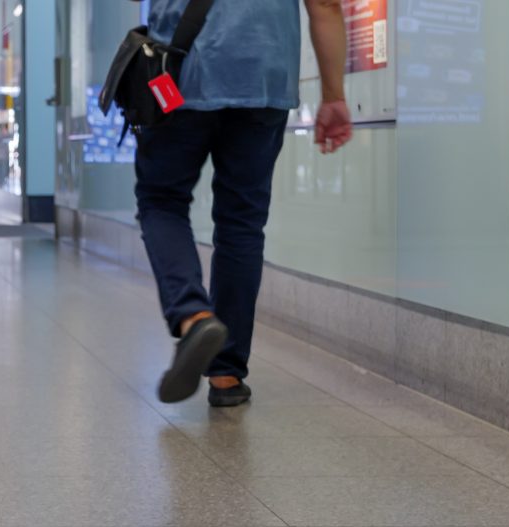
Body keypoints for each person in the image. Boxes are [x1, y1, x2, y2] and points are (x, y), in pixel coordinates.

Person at [134, 0, 352, 406]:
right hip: (265, 78)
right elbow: (325, 6)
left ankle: (193, 315)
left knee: (161, 200)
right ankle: (226, 375)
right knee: (242, 222)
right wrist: (334, 96)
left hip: (182, 67)